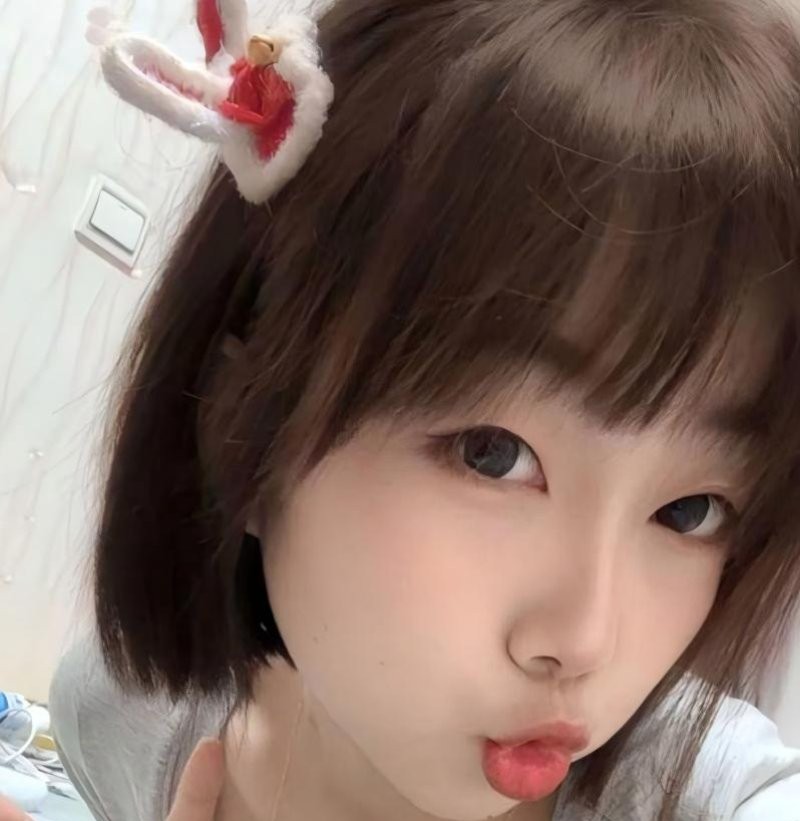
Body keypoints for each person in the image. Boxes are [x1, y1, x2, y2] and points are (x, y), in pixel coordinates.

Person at [19, 0, 800, 819]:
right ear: (240, 422)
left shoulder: (710, 794)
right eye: (493, 454)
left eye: (690, 510)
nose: (584, 641)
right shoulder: (120, 717)